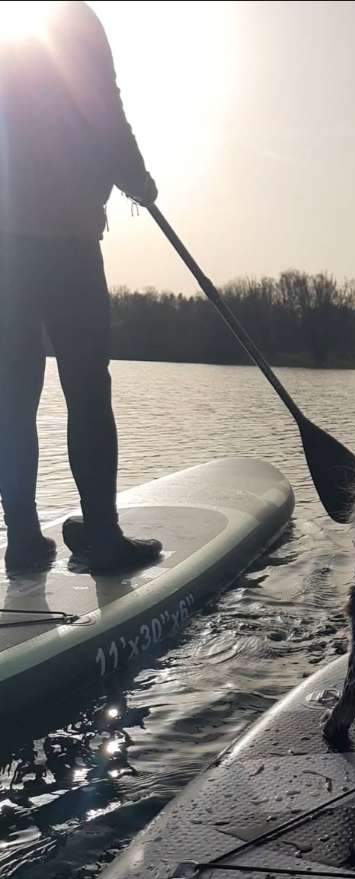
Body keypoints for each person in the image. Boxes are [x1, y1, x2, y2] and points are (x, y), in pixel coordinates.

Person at [0, 1, 162, 574]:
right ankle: (103, 537)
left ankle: (23, 540)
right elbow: (104, 114)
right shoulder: (77, 23)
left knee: (12, 393)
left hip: (7, 250)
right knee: (88, 389)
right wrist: (138, 180)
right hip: (66, 242)